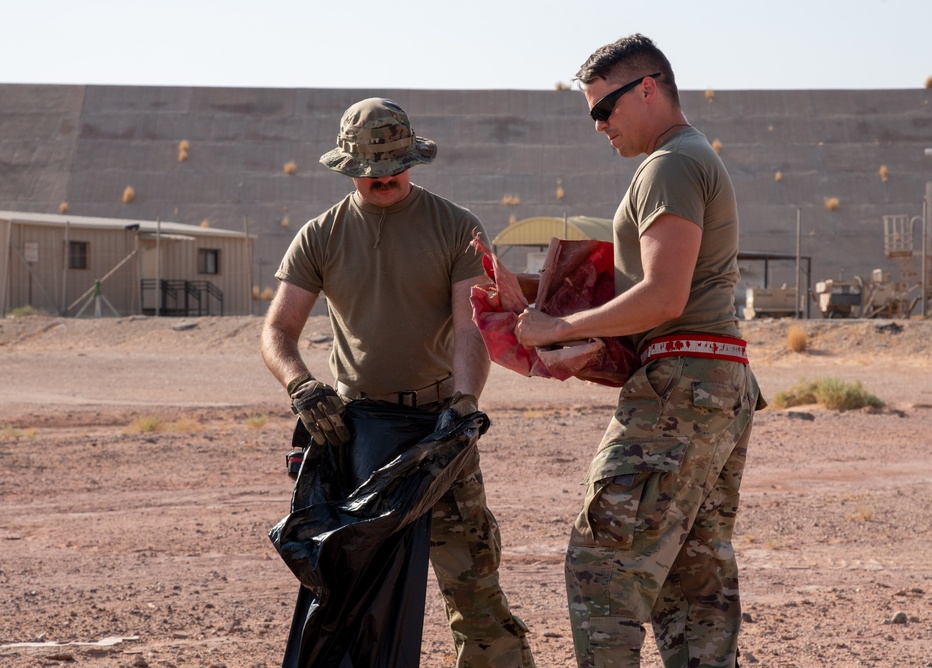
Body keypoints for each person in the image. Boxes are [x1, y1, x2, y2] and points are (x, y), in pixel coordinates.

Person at [515, 34, 764, 668]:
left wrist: (560, 327)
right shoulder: (688, 158)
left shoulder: (669, 166)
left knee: (604, 564)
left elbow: (662, 297)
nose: (598, 125)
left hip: (682, 383)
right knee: (692, 582)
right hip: (714, 378)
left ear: (647, 87)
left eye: (605, 108)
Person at [261, 97, 534, 667]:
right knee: (351, 597)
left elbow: (471, 327)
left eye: (393, 169)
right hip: (358, 440)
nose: (383, 180)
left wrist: (463, 406)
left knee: (473, 587)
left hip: (438, 435)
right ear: (348, 167)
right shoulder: (320, 236)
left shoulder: (456, 228)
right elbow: (278, 330)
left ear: (412, 159)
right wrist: (301, 386)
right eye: (370, 173)